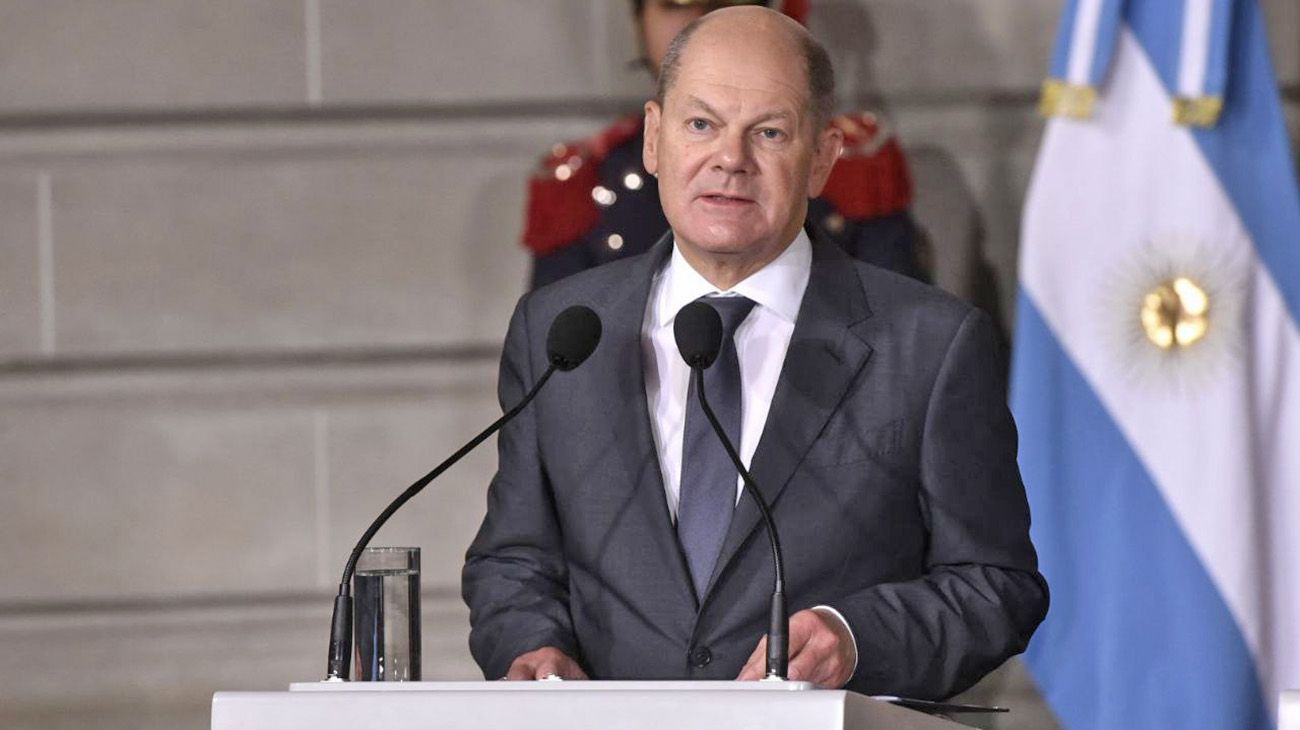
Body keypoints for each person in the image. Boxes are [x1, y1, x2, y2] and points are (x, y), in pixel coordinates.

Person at [464, 6, 1047, 698]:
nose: (729, 160)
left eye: (768, 132)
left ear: (823, 155)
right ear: (655, 138)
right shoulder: (560, 329)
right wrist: (533, 643)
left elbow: (995, 586)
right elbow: (513, 559)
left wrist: (856, 637)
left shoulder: (927, 345)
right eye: (701, 124)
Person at [522, 0, 925, 291]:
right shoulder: (581, 181)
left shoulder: (853, 168)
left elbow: (901, 343)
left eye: (770, 133)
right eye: (676, 3)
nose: (732, 160)